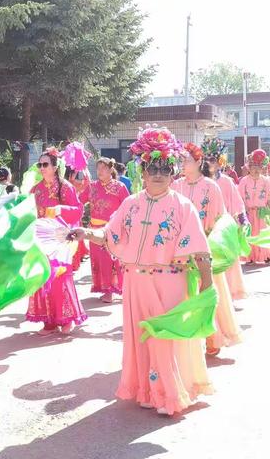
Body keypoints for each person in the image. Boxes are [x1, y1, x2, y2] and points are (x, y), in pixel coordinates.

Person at [70, 126, 214, 416]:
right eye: (152, 167)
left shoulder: (183, 205)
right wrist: (85, 232)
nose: (158, 173)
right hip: (135, 282)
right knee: (141, 338)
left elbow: (199, 249)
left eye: (164, 167)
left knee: (165, 337)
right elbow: (109, 233)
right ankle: (148, 391)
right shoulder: (131, 203)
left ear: (173, 172)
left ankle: (169, 394)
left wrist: (207, 285)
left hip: (171, 281)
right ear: (143, 171)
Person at [173, 143, 242, 356]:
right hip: (180, 251)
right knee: (185, 295)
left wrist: (208, 246)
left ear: (198, 162)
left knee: (209, 292)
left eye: (186, 160)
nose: (182, 164)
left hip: (204, 248)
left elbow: (219, 218)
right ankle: (190, 338)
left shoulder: (211, 187)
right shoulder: (175, 186)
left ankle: (213, 337)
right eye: (181, 160)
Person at [26, 147, 87, 335]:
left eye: (45, 164)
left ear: (54, 167)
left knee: (60, 278)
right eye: (40, 165)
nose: (42, 168)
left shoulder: (65, 187)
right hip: (40, 240)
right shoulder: (35, 190)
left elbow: (78, 211)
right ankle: (49, 321)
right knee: (43, 277)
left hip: (60, 239)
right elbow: (28, 212)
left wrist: (60, 209)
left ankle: (66, 318)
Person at [201, 137, 248, 300]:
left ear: (220, 161)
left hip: (222, 231)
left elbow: (237, 204)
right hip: (203, 229)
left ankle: (226, 295)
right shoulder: (199, 182)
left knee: (224, 263)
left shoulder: (226, 182)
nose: (209, 163)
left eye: (212, 159)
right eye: (206, 159)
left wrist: (241, 222)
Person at [78, 157, 129, 303]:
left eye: (104, 168)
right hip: (94, 231)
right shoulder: (92, 186)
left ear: (111, 169)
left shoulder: (119, 187)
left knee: (113, 261)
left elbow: (128, 207)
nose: (100, 171)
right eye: (98, 168)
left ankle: (114, 290)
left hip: (112, 231)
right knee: (99, 261)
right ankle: (106, 289)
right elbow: (78, 201)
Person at [238, 149, 270, 264]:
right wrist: (242, 211)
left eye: (258, 167)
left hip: (261, 212)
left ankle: (266, 256)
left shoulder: (266, 181)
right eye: (253, 167)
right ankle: (250, 257)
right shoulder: (244, 181)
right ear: (249, 168)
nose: (256, 170)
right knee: (250, 234)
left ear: (262, 168)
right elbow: (239, 197)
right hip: (248, 212)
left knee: (262, 233)